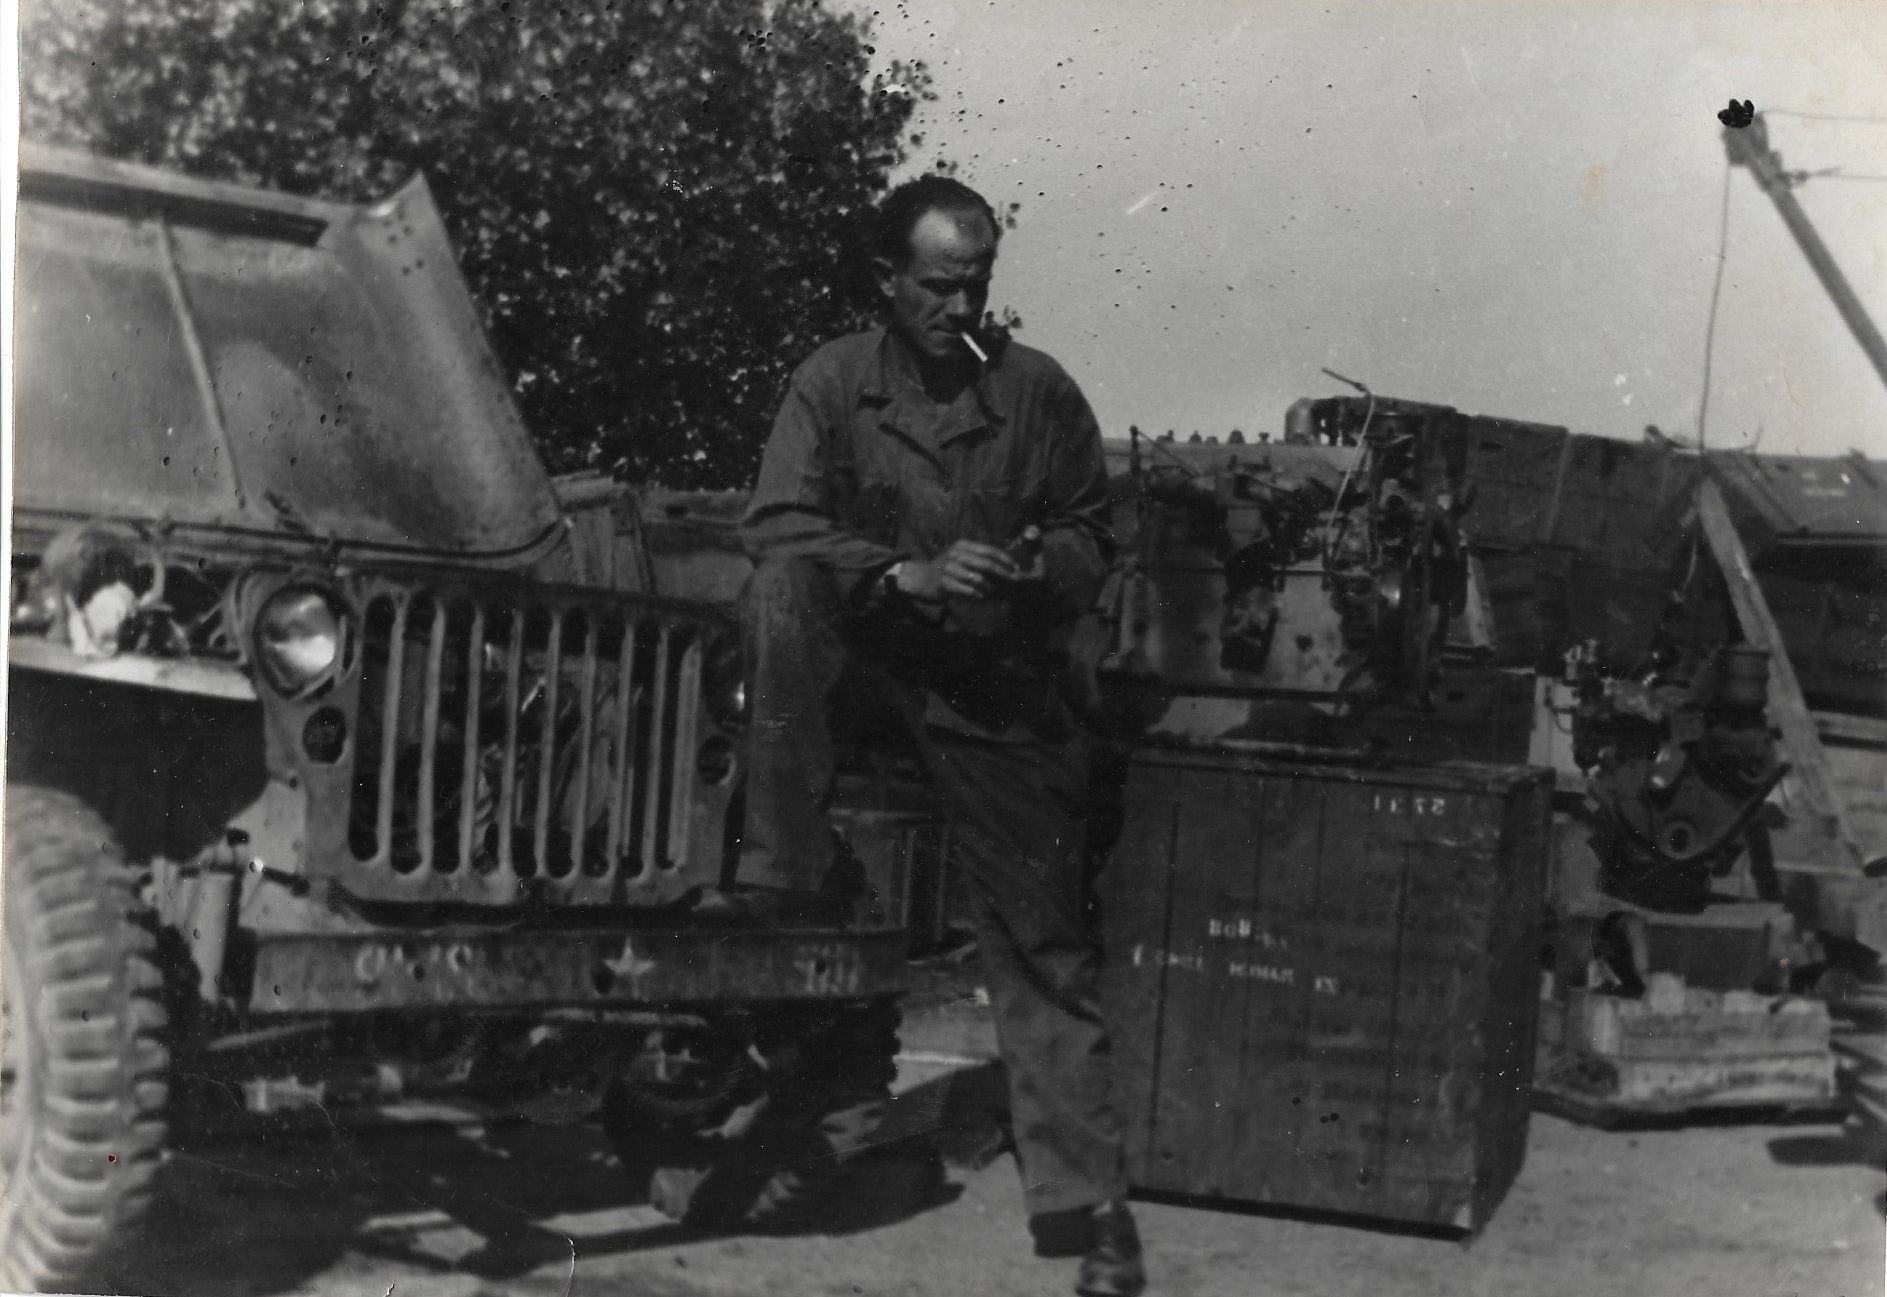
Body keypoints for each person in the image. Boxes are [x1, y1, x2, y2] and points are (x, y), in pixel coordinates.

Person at [735, 174, 1146, 1297]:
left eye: (976, 286)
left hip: (986, 683)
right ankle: (779, 875)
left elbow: (1090, 537)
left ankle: (1091, 1210)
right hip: (861, 675)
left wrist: (1027, 569)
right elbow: (774, 522)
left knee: (1039, 943)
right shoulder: (830, 383)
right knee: (780, 589)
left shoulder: (1037, 394)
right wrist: (903, 573)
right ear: (885, 280)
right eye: (937, 288)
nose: (961, 311)